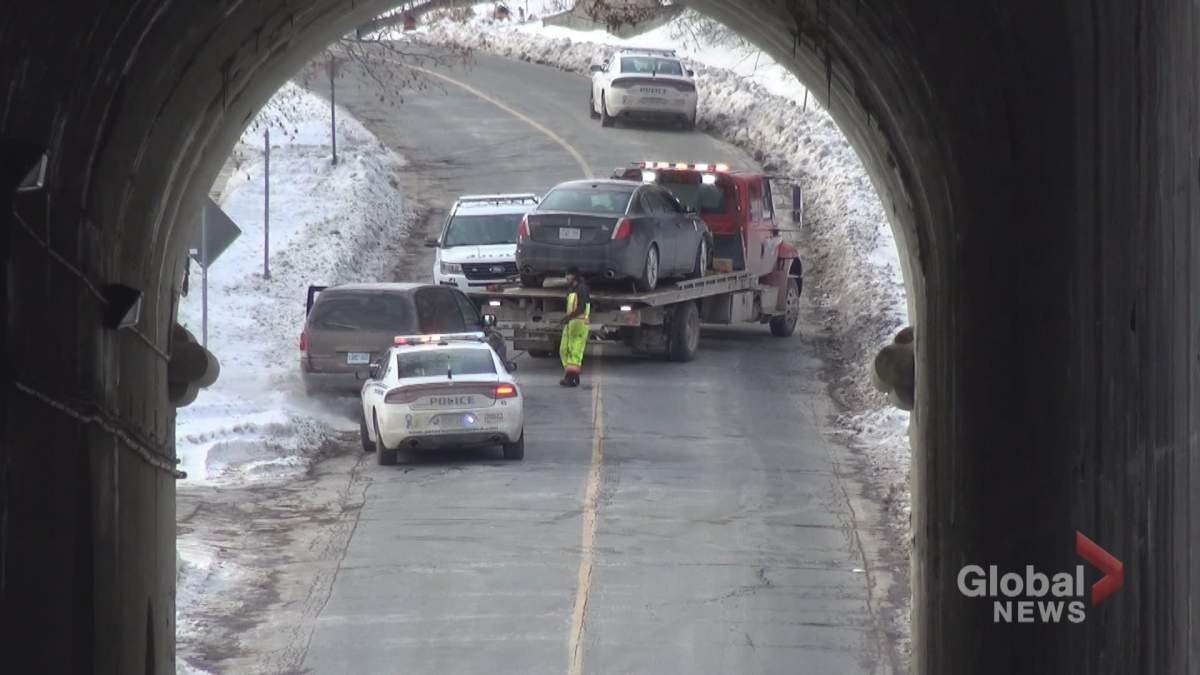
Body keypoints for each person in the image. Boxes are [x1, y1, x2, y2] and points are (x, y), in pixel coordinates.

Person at [559, 267, 591, 387]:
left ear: (574, 276)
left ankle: (571, 379)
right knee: (564, 350)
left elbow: (581, 308)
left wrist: (568, 318)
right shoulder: (571, 289)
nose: (566, 277)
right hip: (571, 324)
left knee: (575, 352)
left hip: (579, 324)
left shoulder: (582, 288)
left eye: (568, 275)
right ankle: (573, 376)